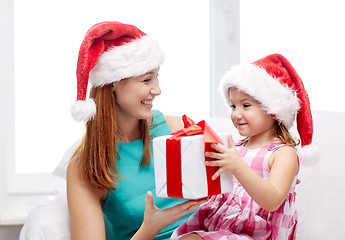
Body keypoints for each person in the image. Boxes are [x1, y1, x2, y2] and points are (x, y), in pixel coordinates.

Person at [66, 21, 206, 240]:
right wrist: (149, 229)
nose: (157, 90)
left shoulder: (179, 129)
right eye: (146, 79)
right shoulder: (85, 168)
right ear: (113, 83)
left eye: (157, 76)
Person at [171, 54, 317, 239]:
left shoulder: (283, 153)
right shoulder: (237, 148)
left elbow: (272, 201)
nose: (236, 114)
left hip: (260, 234)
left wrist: (237, 167)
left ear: (273, 110)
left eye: (246, 105)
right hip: (224, 228)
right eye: (233, 106)